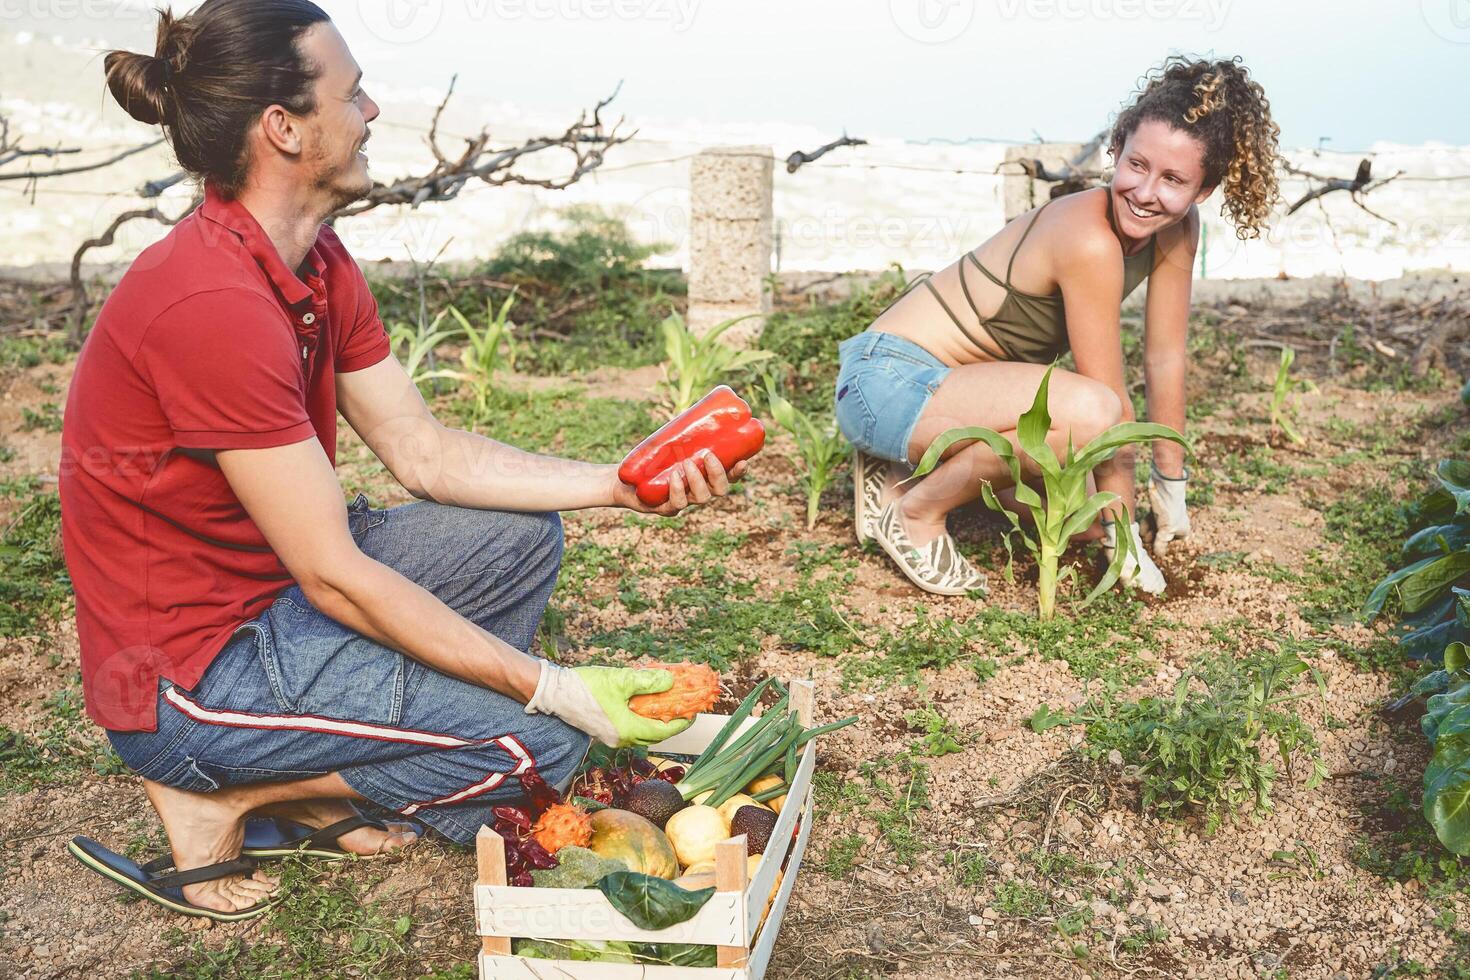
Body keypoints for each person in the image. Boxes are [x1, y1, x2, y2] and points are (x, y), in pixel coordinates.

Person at [59, 0, 742, 920]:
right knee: (534, 752)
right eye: (355, 92)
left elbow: (423, 451)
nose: (372, 111)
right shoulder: (208, 304)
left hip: (278, 605)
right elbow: (337, 576)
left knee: (521, 540)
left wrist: (611, 488)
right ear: (285, 128)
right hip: (195, 677)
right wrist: (553, 688)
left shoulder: (315, 259)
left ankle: (307, 775)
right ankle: (221, 791)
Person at [835, 56, 1280, 596]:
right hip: (886, 379)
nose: (1145, 192)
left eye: (1173, 179)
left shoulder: (1178, 231)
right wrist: (1125, 541)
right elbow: (1107, 402)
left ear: (1202, 191)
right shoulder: (1087, 238)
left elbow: (1166, 357)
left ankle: (900, 467)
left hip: (956, 388)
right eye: (1136, 165)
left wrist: (1170, 484)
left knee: (1081, 517)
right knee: (1092, 415)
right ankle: (915, 510)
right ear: (1115, 152)